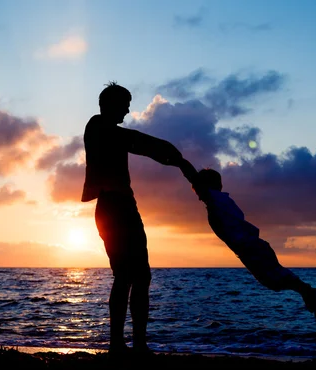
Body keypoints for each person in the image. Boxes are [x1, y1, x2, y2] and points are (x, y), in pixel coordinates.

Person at [81, 82, 195, 356]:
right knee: (125, 276)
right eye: (125, 104)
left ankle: (138, 343)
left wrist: (172, 158)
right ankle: (118, 345)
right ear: (110, 104)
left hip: (124, 206)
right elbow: (135, 141)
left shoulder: (112, 131)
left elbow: (139, 143)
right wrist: (168, 151)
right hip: (112, 206)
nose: (128, 110)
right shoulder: (98, 126)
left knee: (141, 276)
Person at [188, 167, 316, 318]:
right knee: (274, 280)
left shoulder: (216, 200)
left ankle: (309, 292)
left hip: (251, 248)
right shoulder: (224, 202)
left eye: (198, 192)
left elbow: (194, 177)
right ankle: (308, 291)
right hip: (254, 247)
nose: (199, 198)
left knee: (274, 281)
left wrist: (179, 162)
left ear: (206, 186)